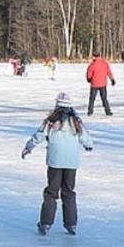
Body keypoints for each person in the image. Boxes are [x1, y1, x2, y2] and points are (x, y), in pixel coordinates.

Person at [22, 92, 93, 235]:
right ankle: (71, 224)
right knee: (68, 192)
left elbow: (39, 135)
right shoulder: (76, 121)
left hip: (55, 162)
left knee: (51, 192)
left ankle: (46, 223)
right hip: (71, 163)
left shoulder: (51, 120)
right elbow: (85, 136)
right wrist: (88, 145)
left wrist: (28, 147)